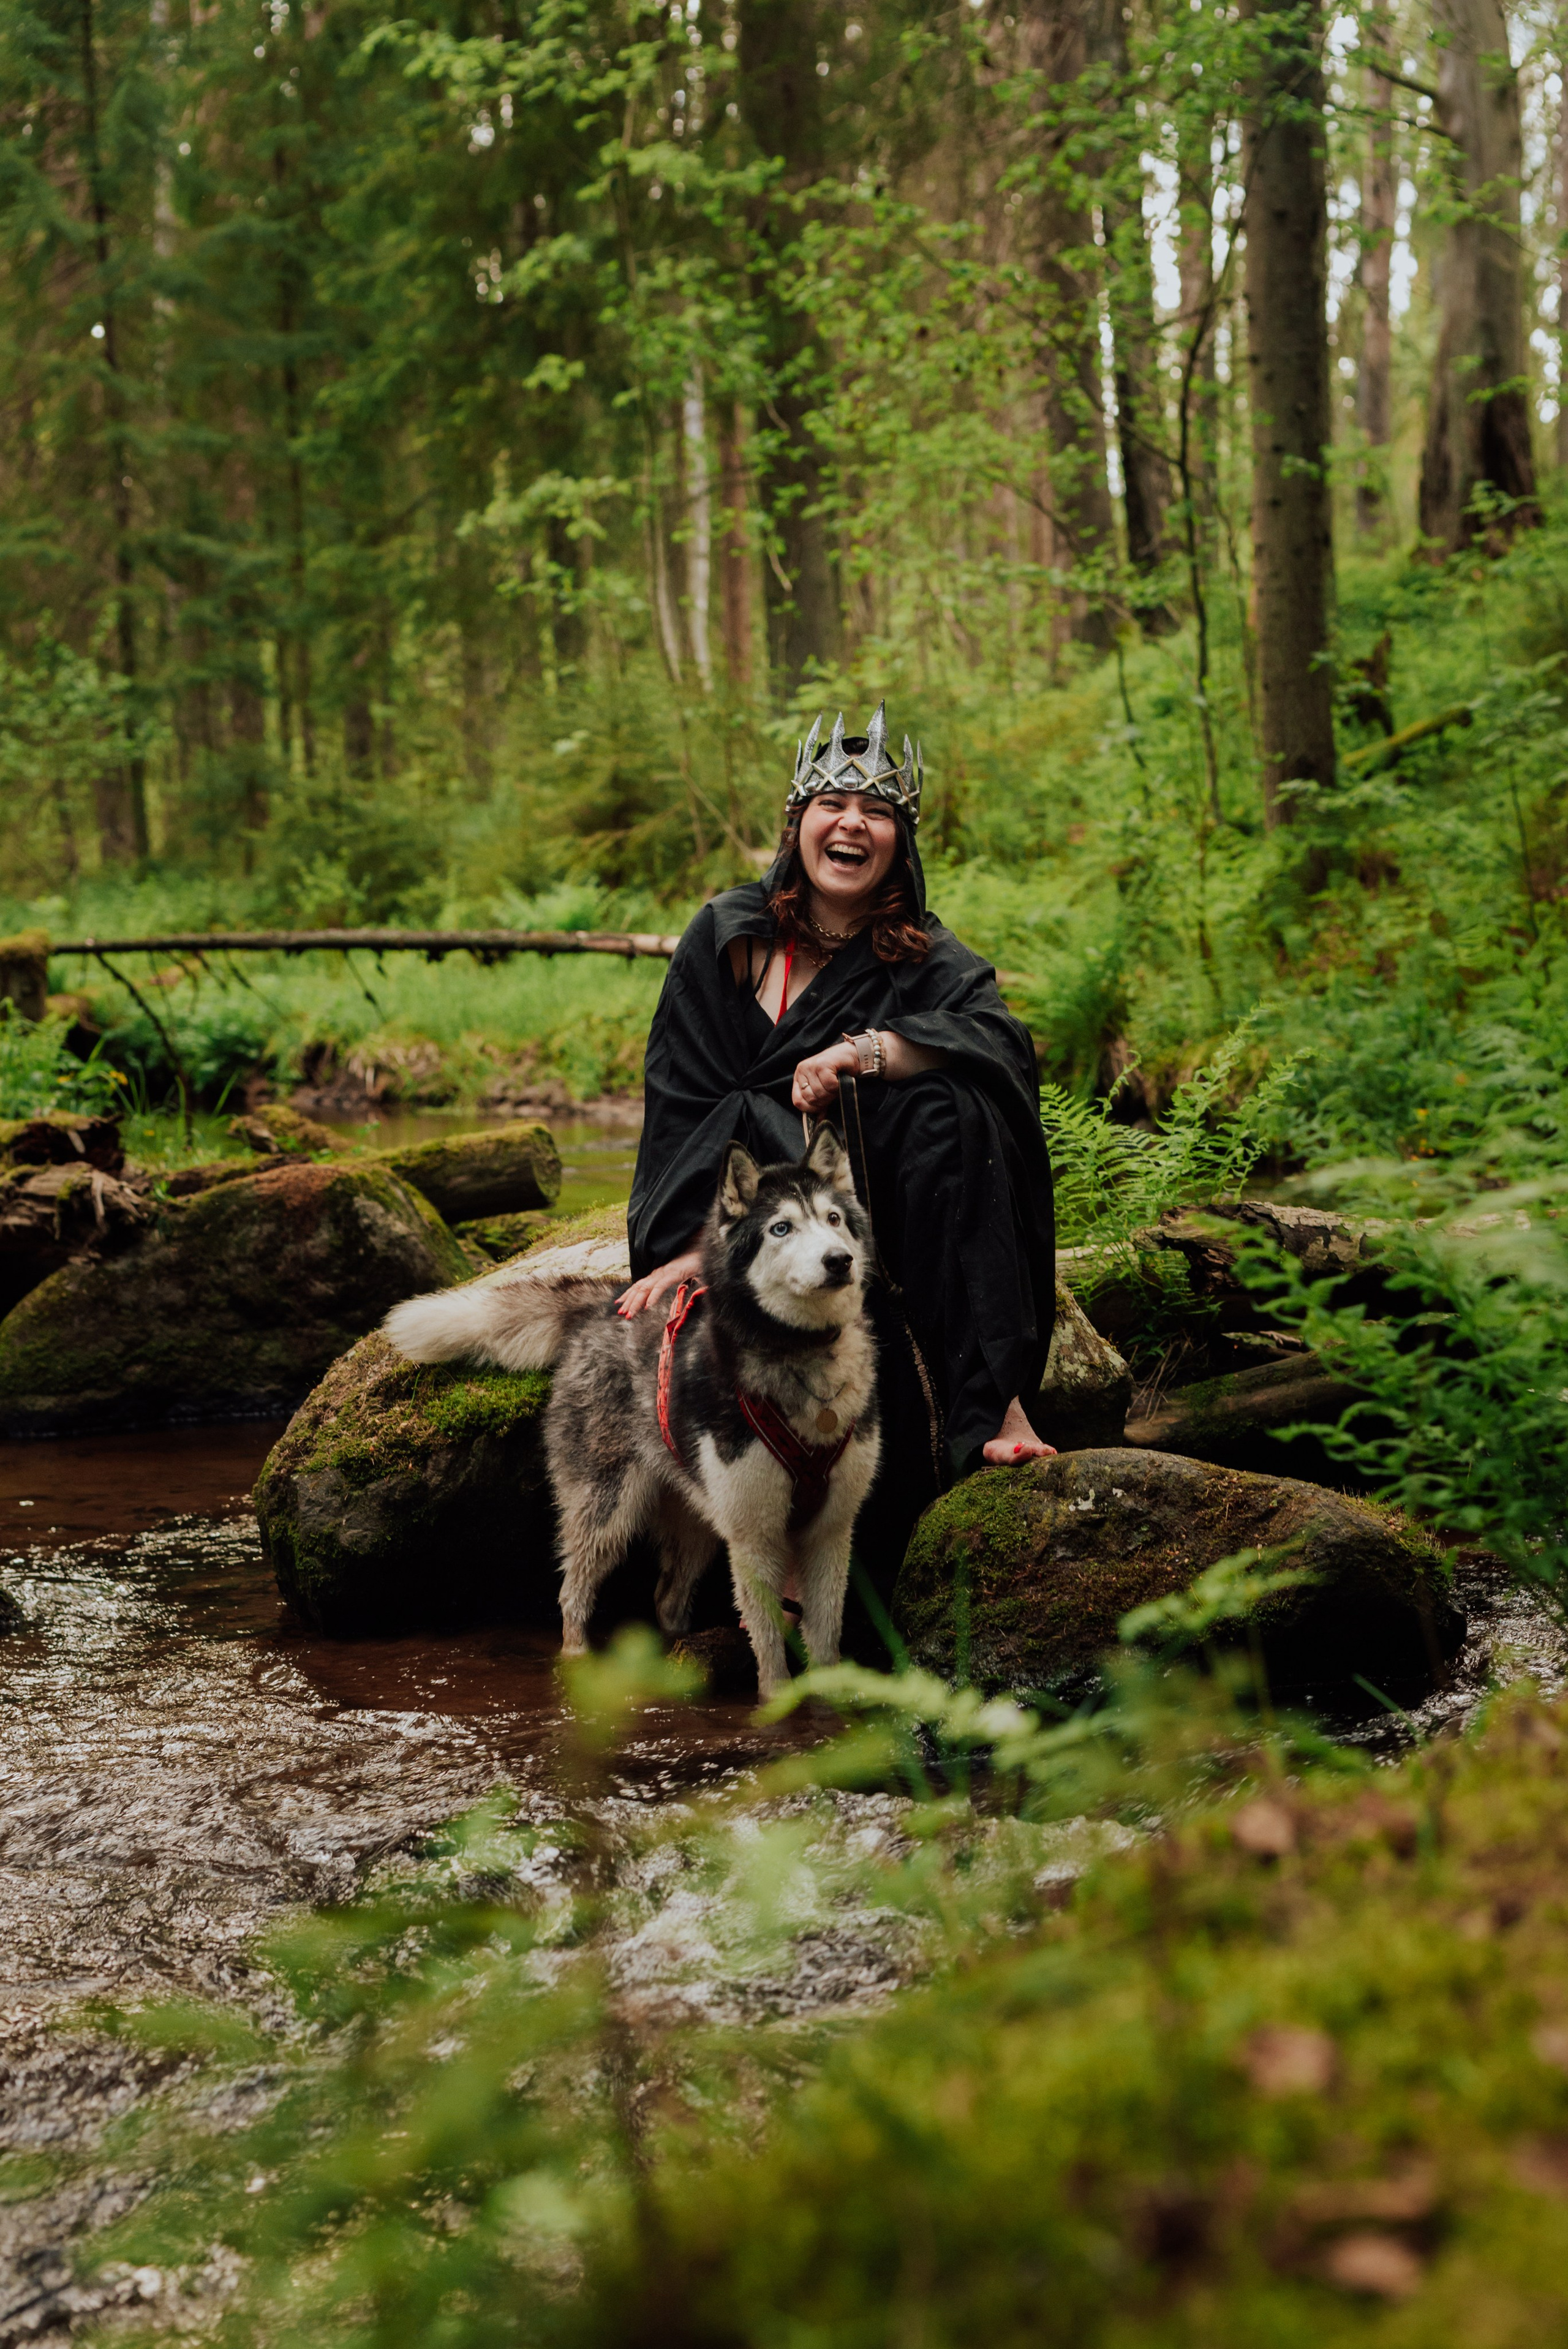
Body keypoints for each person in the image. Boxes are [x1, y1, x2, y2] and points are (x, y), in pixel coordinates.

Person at [622, 703, 1057, 1556]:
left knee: (955, 1109)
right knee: (742, 1115)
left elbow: (1003, 1043)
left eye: (878, 813)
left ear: (900, 842)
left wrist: (874, 1051)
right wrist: (687, 1247)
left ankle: (993, 1402)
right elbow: (681, 1099)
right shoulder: (723, 936)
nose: (852, 824)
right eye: (832, 806)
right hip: (753, 1205)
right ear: (797, 824)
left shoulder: (921, 953)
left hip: (866, 1203)